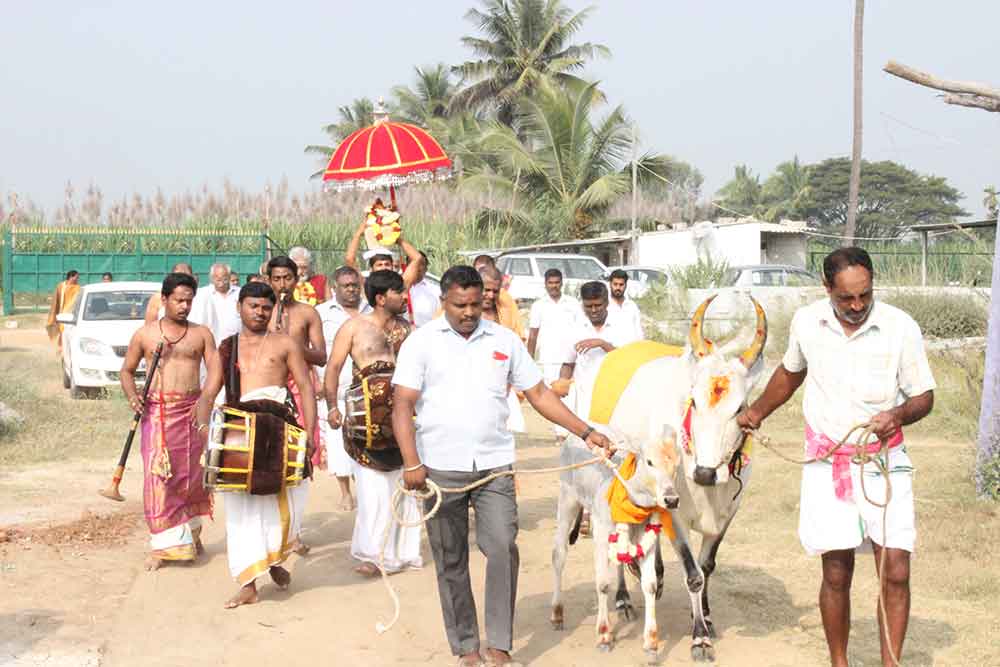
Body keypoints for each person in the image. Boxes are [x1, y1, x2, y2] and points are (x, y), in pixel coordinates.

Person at [392, 265, 614, 667]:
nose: (470, 312)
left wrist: (586, 432)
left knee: (502, 548)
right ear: (444, 301)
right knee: (451, 559)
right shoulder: (420, 343)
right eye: (461, 305)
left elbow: (541, 395)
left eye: (477, 303)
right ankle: (466, 647)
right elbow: (402, 405)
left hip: (494, 466)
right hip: (440, 470)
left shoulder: (504, 341)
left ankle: (499, 645)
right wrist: (411, 463)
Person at [736, 247, 936, 667]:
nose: (857, 306)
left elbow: (924, 397)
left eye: (865, 295)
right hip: (827, 464)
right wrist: (754, 412)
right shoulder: (808, 322)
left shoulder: (900, 327)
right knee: (836, 573)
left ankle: (890, 664)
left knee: (896, 570)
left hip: (884, 462)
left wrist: (897, 414)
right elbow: (791, 373)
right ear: (827, 288)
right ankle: (839, 662)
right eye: (846, 298)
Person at [198, 281, 317, 608]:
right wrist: (203, 431)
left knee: (287, 503)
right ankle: (249, 583)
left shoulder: (286, 344)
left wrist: (309, 435)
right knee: (240, 510)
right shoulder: (227, 347)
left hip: (278, 432)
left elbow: (305, 388)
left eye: (266, 307)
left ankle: (275, 559)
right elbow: (209, 393)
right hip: (239, 436)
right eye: (253, 306)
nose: (260, 312)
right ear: (240, 307)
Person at [325, 270, 422, 577]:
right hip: (365, 420)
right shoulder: (354, 328)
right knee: (372, 490)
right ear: (381, 298)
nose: (404, 297)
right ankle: (372, 554)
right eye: (398, 293)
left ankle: (403, 554)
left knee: (405, 484)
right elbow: (333, 368)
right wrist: (331, 406)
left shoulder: (409, 330)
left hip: (404, 417)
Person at [120, 272, 217, 571]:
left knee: (192, 476)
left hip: (192, 412)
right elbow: (127, 370)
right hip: (158, 414)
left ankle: (192, 534)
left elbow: (216, 370)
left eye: (189, 301)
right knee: (159, 476)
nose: (184, 306)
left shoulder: (201, 334)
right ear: (164, 300)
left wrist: (205, 401)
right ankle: (164, 547)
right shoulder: (145, 334)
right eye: (178, 300)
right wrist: (133, 396)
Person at [266, 256, 327, 554]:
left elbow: (321, 355)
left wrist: (291, 345)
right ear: (269, 281)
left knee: (300, 459)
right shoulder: (261, 310)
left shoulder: (307, 313)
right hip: (269, 388)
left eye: (287, 278)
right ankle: (277, 529)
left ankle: (294, 531)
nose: (282, 285)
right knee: (271, 457)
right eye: (276, 279)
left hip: (299, 388)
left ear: (296, 279)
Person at [316, 265, 371, 511]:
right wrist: (315, 381)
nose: (351, 290)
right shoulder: (321, 313)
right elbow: (310, 352)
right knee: (338, 441)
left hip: (367, 389)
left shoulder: (371, 311)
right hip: (334, 388)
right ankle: (345, 492)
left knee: (367, 438)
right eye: (346, 286)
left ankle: (366, 489)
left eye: (354, 285)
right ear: (334, 288)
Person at [559, 281, 642, 421]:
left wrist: (603, 344)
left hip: (617, 398)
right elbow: (568, 364)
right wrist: (562, 382)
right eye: (588, 306)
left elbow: (631, 360)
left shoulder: (623, 325)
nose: (593, 310)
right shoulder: (575, 329)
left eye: (597, 305)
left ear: (606, 303)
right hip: (586, 400)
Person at [526, 268, 579, 436]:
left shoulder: (573, 304)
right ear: (545, 284)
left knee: (570, 395)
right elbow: (533, 335)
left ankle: (569, 432)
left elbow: (580, 329)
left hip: (570, 358)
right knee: (553, 396)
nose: (554, 286)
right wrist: (528, 360)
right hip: (548, 358)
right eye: (551, 283)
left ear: (562, 283)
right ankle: (560, 432)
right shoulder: (538, 306)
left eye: (557, 283)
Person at [479, 265, 526, 433]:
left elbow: (517, 344)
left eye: (495, 291)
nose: (490, 295)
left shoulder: (505, 310)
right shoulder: (461, 313)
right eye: (486, 290)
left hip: (503, 388)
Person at [196, 262, 242, 344]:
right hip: (211, 343)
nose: (221, 281)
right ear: (211, 278)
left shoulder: (240, 292)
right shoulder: (202, 293)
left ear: (229, 276)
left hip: (236, 343)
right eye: (217, 278)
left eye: (224, 278)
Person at [45, 270, 80, 353]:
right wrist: (55, 312)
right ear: (71, 277)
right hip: (62, 312)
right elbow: (56, 300)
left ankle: (66, 348)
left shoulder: (78, 288)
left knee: (68, 332)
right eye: (76, 277)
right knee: (62, 331)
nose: (78, 279)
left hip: (71, 314)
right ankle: (61, 348)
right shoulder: (61, 286)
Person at [606, 269, 644, 341]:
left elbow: (639, 330)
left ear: (626, 285)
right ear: (610, 284)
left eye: (621, 285)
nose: (618, 288)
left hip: (632, 349)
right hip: (612, 350)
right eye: (615, 284)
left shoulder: (632, 306)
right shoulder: (604, 306)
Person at [407, 251, 439, 327]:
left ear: (426, 268)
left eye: (421, 263)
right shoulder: (397, 288)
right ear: (407, 266)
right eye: (412, 263)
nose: (416, 266)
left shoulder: (436, 291)